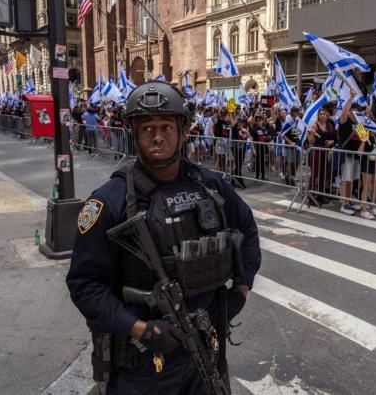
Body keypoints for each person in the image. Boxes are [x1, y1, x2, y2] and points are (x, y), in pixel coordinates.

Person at [66, 81, 261, 393]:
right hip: (144, 361)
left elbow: (248, 231)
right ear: (133, 132)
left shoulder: (211, 187)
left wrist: (242, 289)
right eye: (148, 129)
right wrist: (140, 329)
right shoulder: (109, 202)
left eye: (166, 127)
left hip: (206, 345)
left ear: (183, 131)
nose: (158, 137)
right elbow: (84, 285)